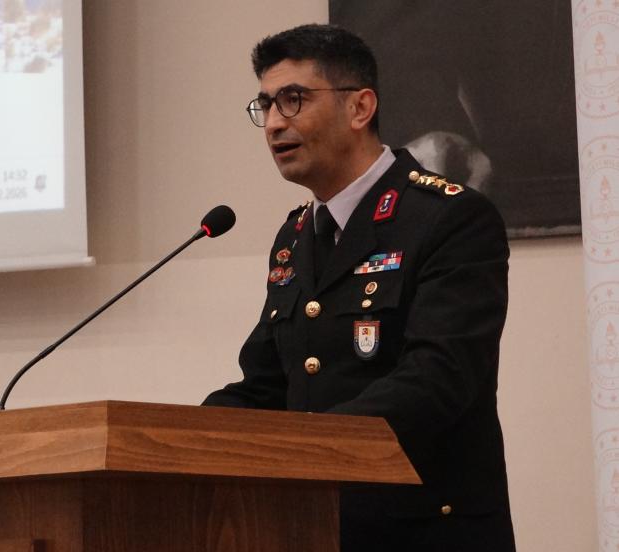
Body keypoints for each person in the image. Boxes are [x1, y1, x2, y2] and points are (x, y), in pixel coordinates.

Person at [203, 24, 515, 551]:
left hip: (425, 534)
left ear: (360, 107)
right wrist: (180, 436)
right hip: (315, 528)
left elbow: (437, 379)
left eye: (293, 100)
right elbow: (267, 385)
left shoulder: (450, 218)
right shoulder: (295, 236)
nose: (274, 123)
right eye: (266, 105)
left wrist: (303, 449)